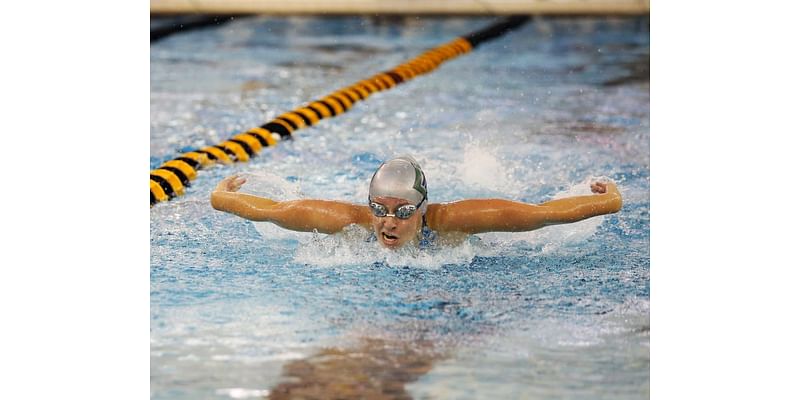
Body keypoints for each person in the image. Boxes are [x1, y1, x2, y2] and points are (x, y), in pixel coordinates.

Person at [210, 155, 622, 249]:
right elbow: (267, 210)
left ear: (423, 209)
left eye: (403, 211)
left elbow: (543, 216)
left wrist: (610, 200)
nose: (388, 222)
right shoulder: (341, 220)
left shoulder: (459, 220)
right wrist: (222, 195)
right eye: (379, 209)